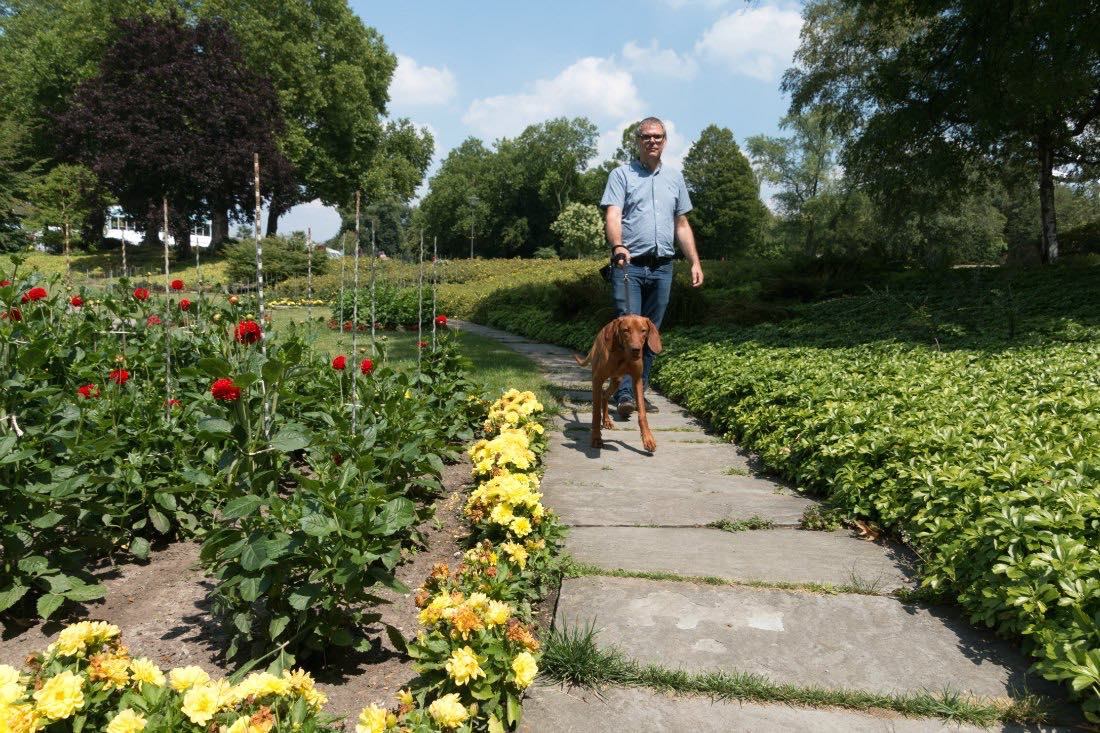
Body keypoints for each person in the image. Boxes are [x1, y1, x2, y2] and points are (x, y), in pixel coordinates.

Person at [600, 116, 704, 418]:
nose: (652, 141)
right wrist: (618, 245)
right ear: (638, 141)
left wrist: (695, 261)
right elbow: (613, 214)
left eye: (658, 136)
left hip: (663, 268)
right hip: (629, 265)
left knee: (649, 335)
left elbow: (682, 224)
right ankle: (623, 396)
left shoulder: (675, 177)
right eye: (646, 136)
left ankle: (638, 392)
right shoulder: (621, 175)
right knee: (626, 330)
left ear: (665, 140)